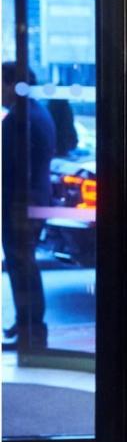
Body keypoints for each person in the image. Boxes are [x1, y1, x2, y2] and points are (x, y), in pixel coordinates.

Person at [2, 62, 56, 349]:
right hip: (35, 200)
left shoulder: (18, 120)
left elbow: (9, 168)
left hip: (21, 204)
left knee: (21, 266)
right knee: (26, 265)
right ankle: (27, 324)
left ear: (13, 84)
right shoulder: (39, 112)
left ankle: (30, 329)